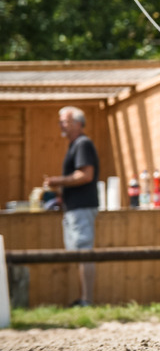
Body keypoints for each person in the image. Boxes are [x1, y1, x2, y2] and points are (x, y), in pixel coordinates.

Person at [42, 106, 99, 307]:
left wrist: (57, 181)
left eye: (64, 121)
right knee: (78, 253)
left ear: (77, 123)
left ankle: (87, 300)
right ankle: (83, 299)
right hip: (74, 208)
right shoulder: (75, 145)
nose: (60, 125)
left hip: (82, 208)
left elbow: (86, 175)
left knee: (84, 252)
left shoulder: (82, 144)